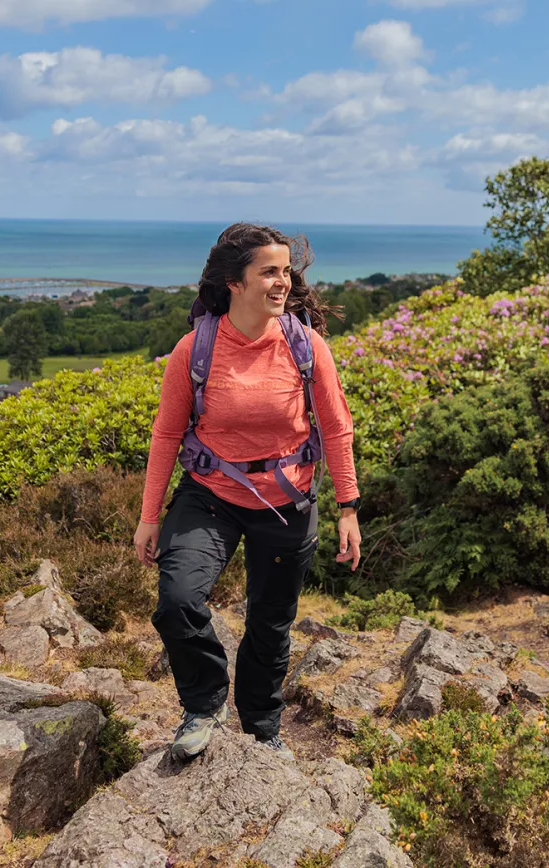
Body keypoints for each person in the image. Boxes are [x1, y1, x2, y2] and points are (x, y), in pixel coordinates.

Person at [133, 223, 362, 762]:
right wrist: (149, 517)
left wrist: (348, 506)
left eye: (286, 271)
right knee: (178, 602)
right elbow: (166, 434)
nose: (283, 282)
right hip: (209, 496)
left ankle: (262, 727)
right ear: (235, 282)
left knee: (270, 622)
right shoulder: (196, 348)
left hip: (289, 503)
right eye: (270, 272)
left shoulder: (306, 347)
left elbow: (336, 427)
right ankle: (204, 704)